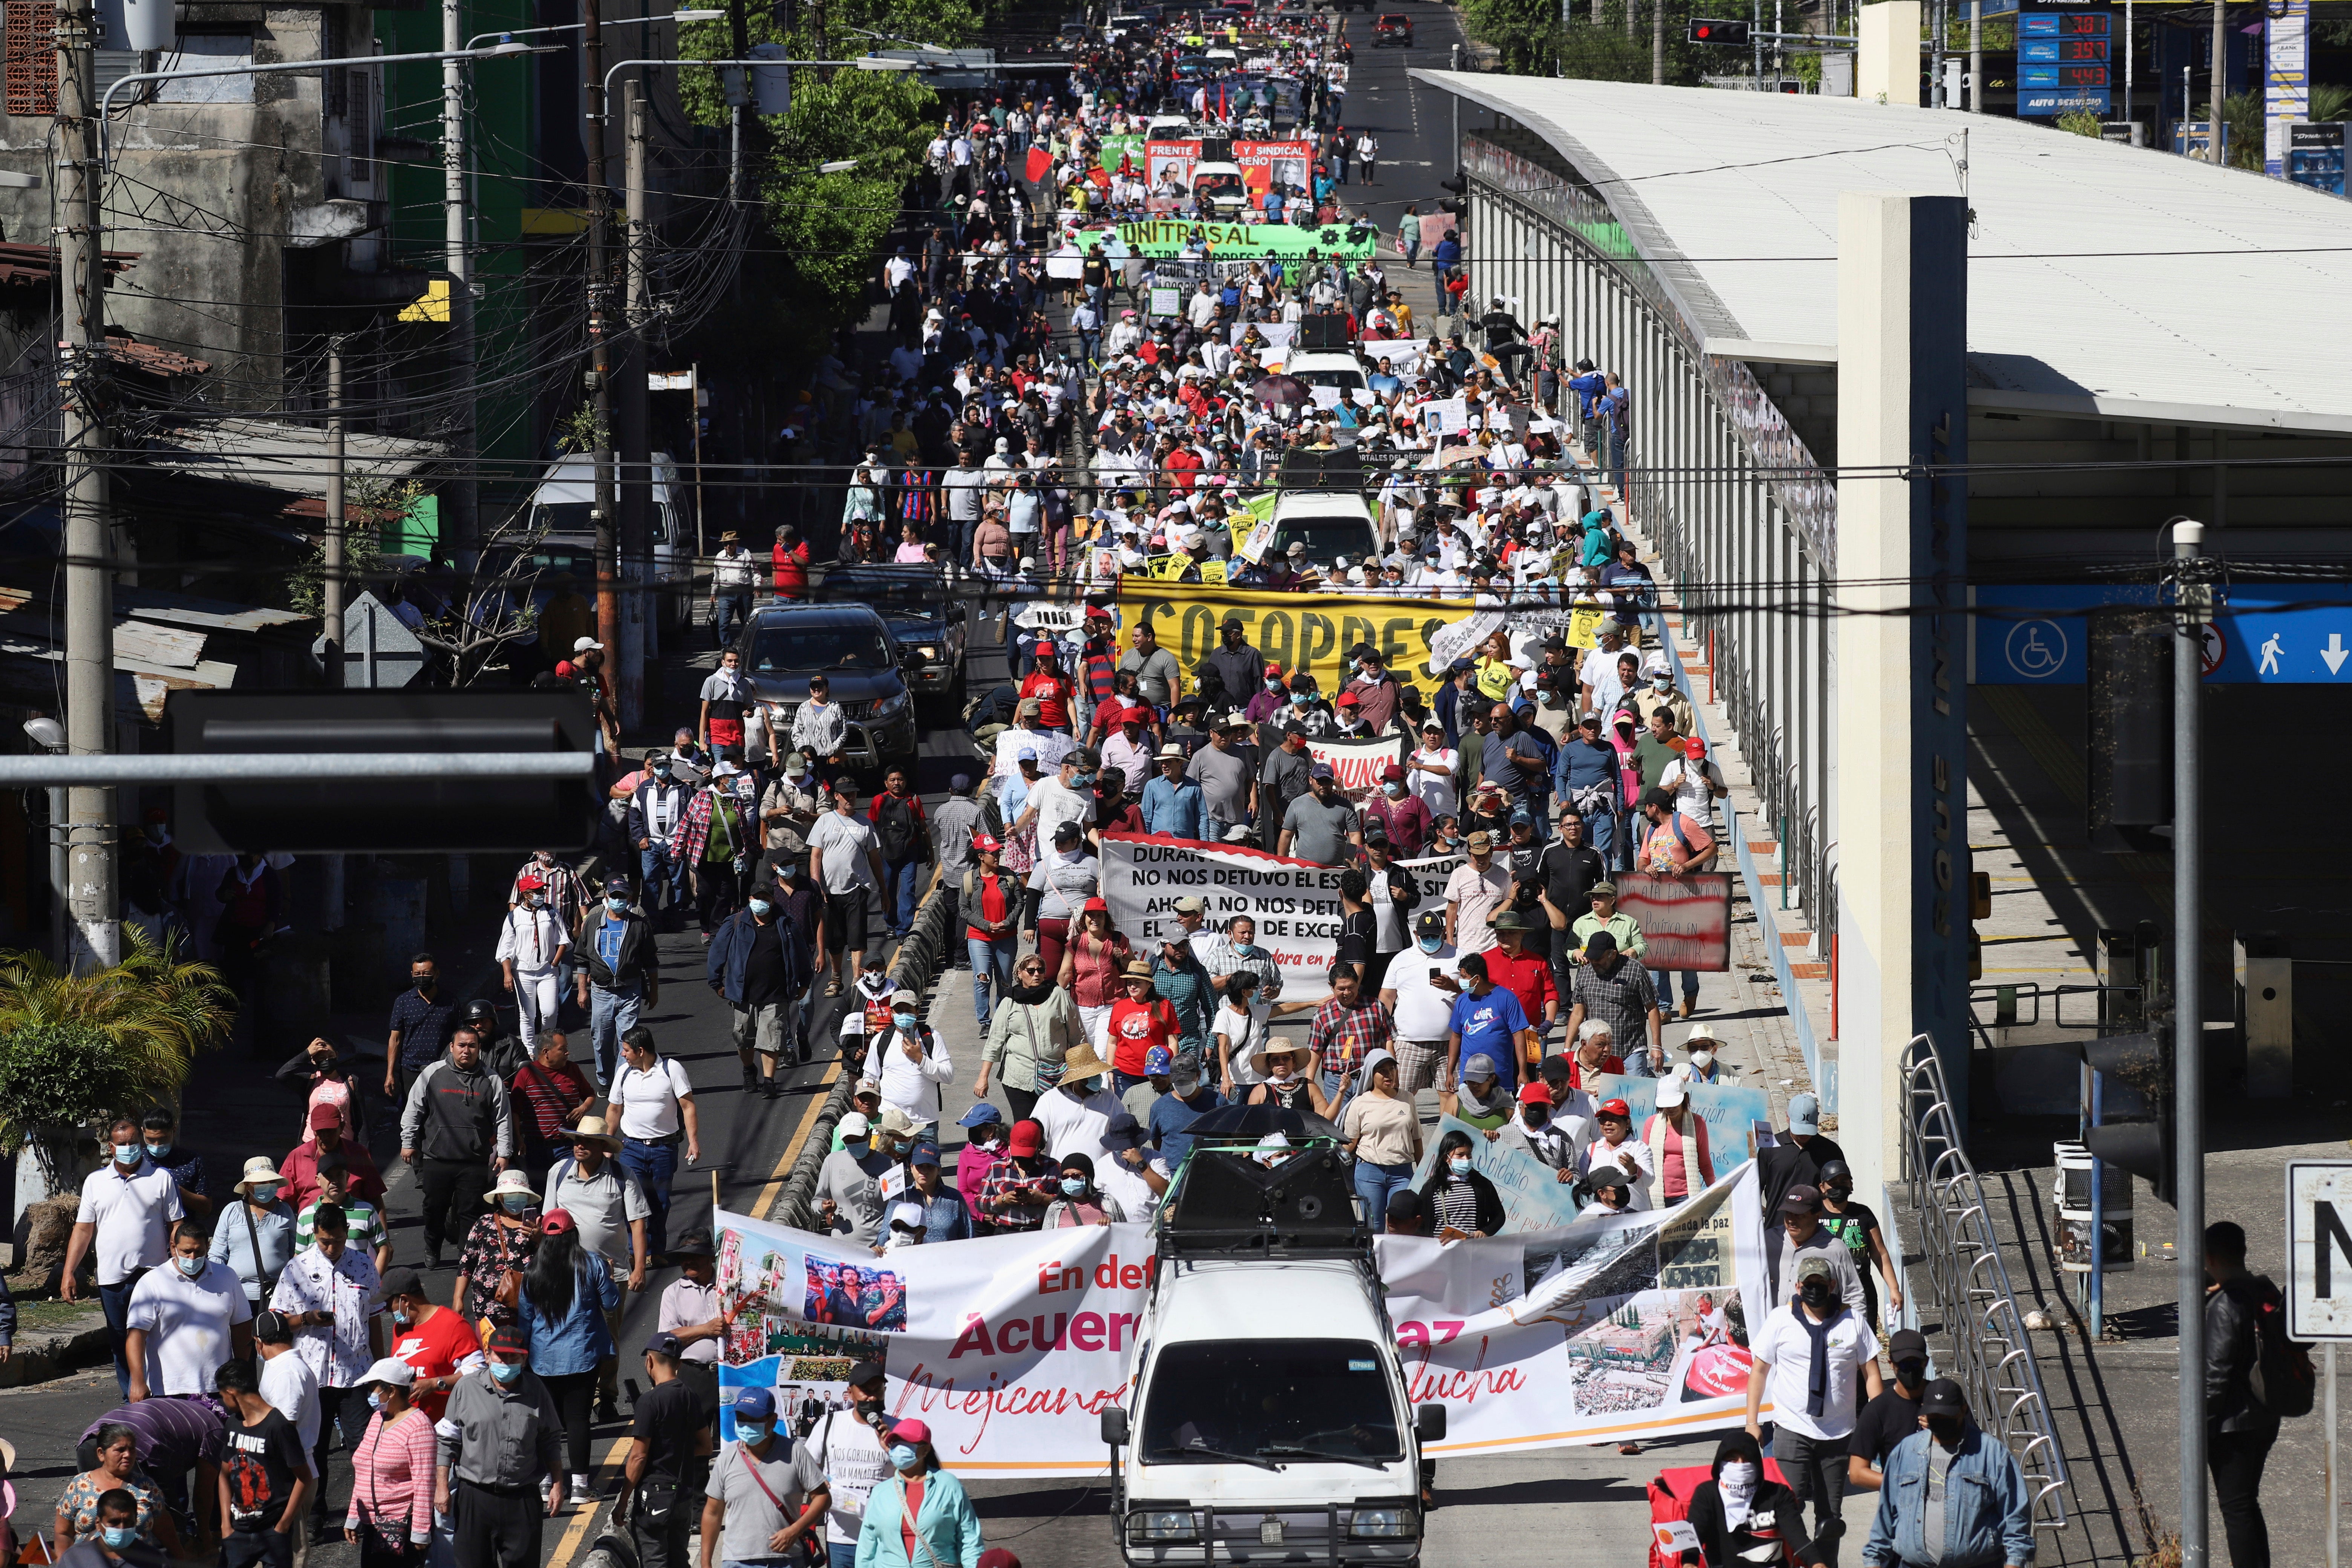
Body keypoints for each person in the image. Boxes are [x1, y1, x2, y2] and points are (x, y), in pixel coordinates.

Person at [1745, 1254, 1882, 1566]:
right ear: (1798, 1286)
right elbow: (1759, 1372)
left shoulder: (1852, 1321)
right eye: (1809, 1284)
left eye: (1821, 1284)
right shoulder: (1781, 1319)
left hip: (1839, 1434)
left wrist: (1877, 1423)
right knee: (1786, 1507)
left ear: (1833, 1286)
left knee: (1830, 1516)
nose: (1814, 1289)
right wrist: (1752, 1422)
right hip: (1792, 1429)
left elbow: (1872, 1374)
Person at [268, 1199, 382, 1517]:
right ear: (314, 1235)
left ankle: (367, 1515)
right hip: (313, 1378)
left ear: (347, 1232)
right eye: (324, 1242)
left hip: (356, 1376)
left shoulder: (364, 1266)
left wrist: (380, 1372)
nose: (332, 1248)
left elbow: (374, 1319)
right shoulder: (296, 1270)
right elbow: (278, 1322)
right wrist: (306, 1319)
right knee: (314, 1452)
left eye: (338, 1240)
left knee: (364, 1450)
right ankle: (315, 1517)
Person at [62, 1116, 186, 1398]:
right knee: (120, 1341)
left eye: (133, 1143)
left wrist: (179, 1264)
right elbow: (83, 1230)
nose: (129, 1148)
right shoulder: (96, 1182)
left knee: (158, 1337)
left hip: (153, 1275)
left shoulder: (161, 1178)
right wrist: (69, 1272)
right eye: (122, 1144)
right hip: (112, 1278)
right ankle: (131, 1397)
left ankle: (161, 1395)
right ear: (111, 1147)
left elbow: (176, 1225)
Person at [1861, 1380, 2034, 1568]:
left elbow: (2016, 1517)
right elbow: (1885, 1518)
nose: (1941, 1420)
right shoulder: (1905, 1453)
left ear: (1963, 1410)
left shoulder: (1991, 1454)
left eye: (1947, 1415)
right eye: (1935, 1416)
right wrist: (1874, 1561)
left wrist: (2014, 1562)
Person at [435, 1323, 567, 1566]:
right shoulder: (466, 1388)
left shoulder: (537, 1390)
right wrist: (442, 1487)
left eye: (513, 1357)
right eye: (500, 1356)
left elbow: (550, 1439)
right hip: (475, 1498)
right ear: (488, 1355)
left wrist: (558, 1485)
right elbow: (447, 1441)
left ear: (524, 1360)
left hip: (522, 1499)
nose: (506, 1363)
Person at [518, 1211, 621, 1504]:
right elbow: (611, 1303)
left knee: (545, 1423)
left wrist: (524, 1355)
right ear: (574, 1235)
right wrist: (609, 1277)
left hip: (542, 1358)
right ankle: (579, 1487)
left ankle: (545, 1483)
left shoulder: (533, 1270)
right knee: (578, 1419)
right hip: (582, 1355)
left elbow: (525, 1318)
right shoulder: (592, 1264)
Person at [2204, 1218, 2286, 1567]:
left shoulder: (2226, 1305)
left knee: (2236, 1508)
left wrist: (2201, 1424)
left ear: (2209, 1258)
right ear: (2244, 1251)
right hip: (2266, 1414)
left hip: (2232, 1425)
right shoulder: (2264, 1290)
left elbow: (2215, 1375)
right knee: (2247, 1503)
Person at [400, 1027, 516, 1270]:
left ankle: (467, 1257)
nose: (467, 1051)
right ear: (452, 1047)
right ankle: (433, 1244)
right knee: (434, 1208)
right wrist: (408, 1142)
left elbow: (503, 1119)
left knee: (471, 1212)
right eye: (462, 1046)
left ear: (479, 1049)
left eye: (472, 1046)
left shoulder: (492, 1080)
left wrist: (504, 1153)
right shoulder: (432, 1073)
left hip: (474, 1159)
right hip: (437, 1157)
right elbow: (414, 1109)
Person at [124, 1218, 251, 1400]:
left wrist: (240, 1371)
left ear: (208, 1247)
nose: (193, 1258)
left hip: (219, 1388)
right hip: (168, 1390)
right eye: (187, 1252)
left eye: (199, 1252)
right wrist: (138, 1381)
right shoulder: (152, 1282)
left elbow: (242, 1326)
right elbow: (136, 1335)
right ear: (173, 1247)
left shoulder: (227, 1277)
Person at [789, 1360, 897, 1568]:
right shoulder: (830, 1424)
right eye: (865, 1391)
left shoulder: (898, 1429)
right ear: (850, 1392)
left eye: (878, 1390)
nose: (872, 1397)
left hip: (885, 1537)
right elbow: (804, 1468)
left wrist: (895, 1449)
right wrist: (818, 1485)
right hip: (841, 1538)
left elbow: (918, 1477)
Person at [700, 1386, 822, 1568]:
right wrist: (705, 1562)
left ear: (772, 1421)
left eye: (754, 1420)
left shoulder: (795, 1453)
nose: (746, 1424)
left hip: (787, 1561)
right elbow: (712, 1513)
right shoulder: (726, 1459)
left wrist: (795, 1530)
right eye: (741, 1418)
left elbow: (822, 1497)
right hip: (737, 1562)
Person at [709, 885, 813, 1098]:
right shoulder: (736, 923)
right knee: (743, 1037)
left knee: (772, 1037)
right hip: (743, 994)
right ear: (750, 899)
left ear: (773, 901)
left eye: (765, 898)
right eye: (757, 898)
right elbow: (717, 952)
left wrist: (804, 983)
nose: (761, 902)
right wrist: (716, 982)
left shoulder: (786, 924)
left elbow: (802, 954)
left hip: (776, 993)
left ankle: (769, 1082)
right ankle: (749, 1071)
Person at [618, 1334, 712, 1568]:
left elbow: (639, 1456)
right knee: (679, 1559)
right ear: (679, 1363)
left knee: (654, 1559)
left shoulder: (649, 1401)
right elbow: (706, 1446)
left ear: (649, 1361)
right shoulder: (690, 1396)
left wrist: (623, 1500)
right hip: (683, 1494)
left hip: (655, 1495)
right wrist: (677, 1452)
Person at [607, 1026, 700, 1255]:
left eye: (626, 1050)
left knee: (660, 1202)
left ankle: (656, 1252)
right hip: (631, 1149)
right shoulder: (624, 1072)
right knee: (632, 1201)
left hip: (664, 1149)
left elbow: (688, 1106)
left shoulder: (672, 1069)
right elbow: (614, 1109)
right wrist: (607, 1143)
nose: (622, 1054)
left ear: (640, 1051)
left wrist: (693, 1141)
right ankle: (635, 1253)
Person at [215, 1355, 312, 1568]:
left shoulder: (279, 1426)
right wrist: (225, 1525)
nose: (223, 1401)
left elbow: (304, 1477)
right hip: (237, 1532)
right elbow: (224, 1474)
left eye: (222, 1395)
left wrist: (283, 1526)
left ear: (231, 1393)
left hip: (273, 1532)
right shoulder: (233, 1424)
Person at [343, 1356, 436, 1568]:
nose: (370, 1394)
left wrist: (420, 1532)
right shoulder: (378, 1418)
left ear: (392, 1391)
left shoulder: (419, 1427)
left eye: (373, 1388)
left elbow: (425, 1483)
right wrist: (354, 1517)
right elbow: (364, 1470)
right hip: (372, 1525)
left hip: (401, 1526)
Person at [852, 1419, 983, 1568]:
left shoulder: (949, 1486)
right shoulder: (880, 1493)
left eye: (906, 1443)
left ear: (926, 1450)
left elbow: (970, 1538)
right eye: (895, 1443)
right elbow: (866, 1548)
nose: (899, 1449)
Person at [1678, 1430, 1816, 1568]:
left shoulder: (1778, 1494)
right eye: (1733, 1460)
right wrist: (1689, 1563)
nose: (1740, 1466)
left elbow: (1797, 1536)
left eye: (1747, 1460)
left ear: (1757, 1464)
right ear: (1720, 1462)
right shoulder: (1707, 1494)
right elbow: (1693, 1536)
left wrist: (1816, 1563)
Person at [579, 877, 660, 1090]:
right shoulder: (593, 923)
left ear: (629, 898)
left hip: (630, 991)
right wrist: (582, 991)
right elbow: (582, 959)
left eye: (622, 896)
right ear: (607, 897)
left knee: (628, 1040)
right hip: (601, 991)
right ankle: (606, 1079)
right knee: (601, 1039)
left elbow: (651, 961)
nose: (618, 900)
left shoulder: (639, 925)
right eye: (614, 896)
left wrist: (654, 991)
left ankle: (621, 1083)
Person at [58, 1423, 185, 1557]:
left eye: (132, 1449)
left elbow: (165, 1530)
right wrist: (65, 1562)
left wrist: (180, 1558)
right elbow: (63, 1533)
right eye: (120, 1450)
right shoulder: (80, 1485)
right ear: (101, 1454)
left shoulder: (147, 1487)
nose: (128, 1455)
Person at [1755, 1092, 1847, 1263]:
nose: (1804, 1135)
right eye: (1799, 1129)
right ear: (1787, 1117)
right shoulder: (1770, 1147)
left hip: (1818, 1239)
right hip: (1777, 1236)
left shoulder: (1831, 1151)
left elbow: (1839, 1194)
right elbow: (1755, 1189)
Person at [809, 787, 886, 988]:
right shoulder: (824, 821)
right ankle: (836, 978)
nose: (850, 798)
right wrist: (817, 886)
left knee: (857, 937)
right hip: (829, 891)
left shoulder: (865, 824)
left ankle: (857, 981)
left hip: (857, 888)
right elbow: (815, 855)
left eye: (853, 794)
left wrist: (884, 890)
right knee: (835, 940)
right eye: (845, 794)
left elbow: (874, 858)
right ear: (836, 796)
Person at [249, 1312, 319, 1530]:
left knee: (290, 1546)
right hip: (289, 1472)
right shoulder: (281, 1367)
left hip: (288, 1477)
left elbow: (285, 1431)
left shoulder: (286, 1374)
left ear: (259, 1342)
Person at [1563, 931, 1664, 1078]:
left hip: (1631, 1049)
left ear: (1613, 954)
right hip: (1598, 1054)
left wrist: (1657, 1046)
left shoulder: (1635, 970)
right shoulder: (1585, 973)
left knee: (1635, 1091)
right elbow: (1578, 1012)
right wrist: (1567, 1049)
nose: (1594, 962)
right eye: (1591, 958)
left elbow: (1652, 1008)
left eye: (1599, 958)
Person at [1818, 1160, 1903, 1332]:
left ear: (1851, 1185)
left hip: (1862, 1293)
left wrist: (1894, 1288)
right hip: (1823, 1295)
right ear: (1822, 1187)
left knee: (1865, 1342)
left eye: (1843, 1181)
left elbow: (1880, 1253)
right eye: (1833, 1183)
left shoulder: (1863, 1214)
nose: (1839, 1186)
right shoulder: (1814, 1215)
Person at [1847, 1328, 1932, 1492]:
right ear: (1891, 1364)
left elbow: (1975, 1447)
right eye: (1904, 1365)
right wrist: (1905, 1483)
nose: (1910, 1370)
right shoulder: (1878, 1410)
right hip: (1900, 1502)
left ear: (1926, 1362)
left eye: (1916, 1363)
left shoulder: (1944, 1398)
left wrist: (1945, 1428)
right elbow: (1857, 1473)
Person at [1342, 1050, 1421, 1221]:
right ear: (1371, 1074)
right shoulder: (1360, 1103)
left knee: (1401, 1225)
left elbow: (1416, 1138)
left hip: (1403, 1173)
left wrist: (1424, 1172)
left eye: (1392, 1069)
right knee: (1374, 1226)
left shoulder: (1408, 1099)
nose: (1389, 1074)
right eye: (1382, 1071)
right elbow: (1351, 1143)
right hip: (1369, 1173)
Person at [211, 1156, 297, 1311]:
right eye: (261, 1183)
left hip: (278, 1296)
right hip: (238, 1294)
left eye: (270, 1182)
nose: (267, 1186)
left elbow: (295, 1253)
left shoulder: (285, 1211)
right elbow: (217, 1255)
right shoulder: (231, 1212)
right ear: (248, 1186)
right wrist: (222, 1288)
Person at [1445, 951, 1535, 1096]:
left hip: (1499, 1078)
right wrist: (1450, 1072)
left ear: (1477, 979)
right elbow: (1456, 1037)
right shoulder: (1463, 1000)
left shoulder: (1507, 998)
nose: (1461, 981)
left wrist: (1523, 1071)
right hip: (1469, 1078)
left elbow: (1519, 1036)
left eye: (1464, 977)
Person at [496, 879, 570, 1053]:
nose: (541, 894)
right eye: (537, 891)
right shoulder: (514, 917)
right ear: (525, 894)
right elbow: (506, 949)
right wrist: (507, 974)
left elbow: (563, 939)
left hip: (548, 972)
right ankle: (529, 1051)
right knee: (527, 1014)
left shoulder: (551, 912)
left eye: (543, 891)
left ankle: (546, 1046)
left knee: (550, 1012)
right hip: (523, 973)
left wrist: (555, 962)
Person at [959, 833, 1021, 1031]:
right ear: (981, 857)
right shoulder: (970, 879)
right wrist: (986, 925)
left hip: (1006, 937)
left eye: (998, 853)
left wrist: (1008, 922)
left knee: (1005, 981)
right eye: (992, 853)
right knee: (982, 978)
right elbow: (964, 910)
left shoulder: (1009, 877)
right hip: (980, 938)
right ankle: (985, 1022)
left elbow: (1019, 903)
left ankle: (1002, 1019)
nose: (997, 856)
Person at [1776, 1185, 1867, 1317]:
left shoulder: (1835, 1249)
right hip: (1777, 1327)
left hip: (1823, 1326)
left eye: (1799, 1215)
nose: (1791, 1220)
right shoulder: (1770, 1241)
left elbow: (1853, 1296)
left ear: (1817, 1216)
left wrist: (1856, 1327)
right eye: (1788, 1214)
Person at [385, 956, 458, 1111]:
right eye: (417, 974)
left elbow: (459, 1035)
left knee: (441, 1114)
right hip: (411, 1070)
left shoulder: (451, 1001)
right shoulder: (403, 1002)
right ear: (412, 975)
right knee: (412, 1114)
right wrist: (390, 1073)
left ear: (436, 974)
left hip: (442, 1069)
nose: (422, 978)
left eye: (426, 974)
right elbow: (395, 1039)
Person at [1032, 1044, 1125, 1164]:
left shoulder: (1110, 1099)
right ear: (1076, 1079)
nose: (1098, 1078)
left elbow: (1124, 1133)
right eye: (1092, 1076)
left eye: (1097, 1074)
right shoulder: (1049, 1100)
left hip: (1102, 1173)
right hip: (1063, 1173)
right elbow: (1035, 1138)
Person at [816, 1113, 894, 1248]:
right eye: (849, 1141)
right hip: (840, 1248)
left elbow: (897, 1207)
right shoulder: (831, 1162)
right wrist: (823, 1207)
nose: (855, 1144)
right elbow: (817, 1201)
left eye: (859, 1139)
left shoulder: (889, 1164)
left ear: (869, 1134)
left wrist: (884, 1243)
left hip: (879, 1249)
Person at [1641, 1077, 1716, 1208]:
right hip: (1656, 1195)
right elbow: (1645, 1162)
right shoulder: (1651, 1123)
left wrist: (1715, 1191)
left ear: (1684, 1100)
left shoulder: (1698, 1123)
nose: (1670, 1108)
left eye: (1674, 1104)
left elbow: (1704, 1162)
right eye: (1666, 1104)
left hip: (1687, 1196)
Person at [1418, 1129, 1504, 1240]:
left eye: (1469, 1155)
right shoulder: (1432, 1188)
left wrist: (1486, 1232)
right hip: (1441, 1249)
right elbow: (1420, 1222)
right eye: (1460, 1155)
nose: (1466, 1159)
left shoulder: (1482, 1185)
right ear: (1446, 1158)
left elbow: (1499, 1216)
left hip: (1472, 1248)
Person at [1443, 829, 1510, 954]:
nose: (1481, 860)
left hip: (1495, 946)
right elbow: (1452, 909)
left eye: (1484, 855)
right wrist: (1450, 939)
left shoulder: (1503, 875)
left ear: (1491, 853)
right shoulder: (1459, 874)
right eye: (1477, 856)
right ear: (1470, 854)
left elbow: (1507, 908)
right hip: (1465, 946)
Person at [1041, 1153, 1125, 1227]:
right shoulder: (1055, 1208)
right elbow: (1048, 1237)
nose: (1070, 1180)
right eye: (1065, 1177)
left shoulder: (1109, 1202)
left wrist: (1110, 1226)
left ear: (1088, 1178)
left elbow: (1123, 1231)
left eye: (1076, 1176)